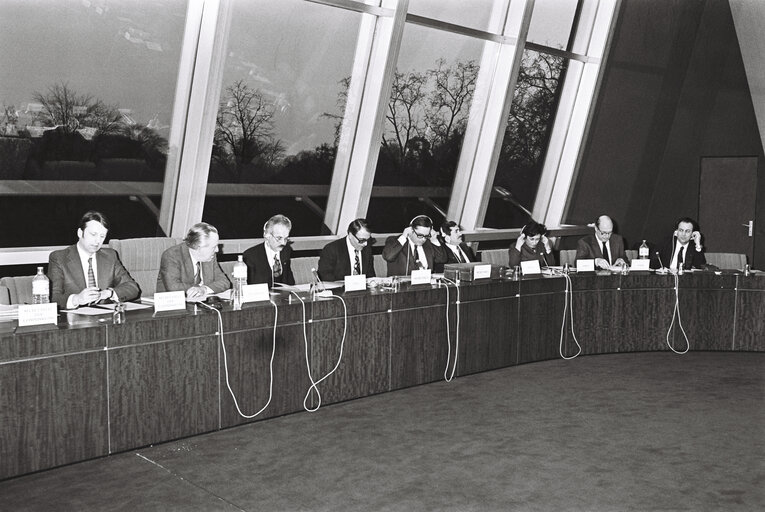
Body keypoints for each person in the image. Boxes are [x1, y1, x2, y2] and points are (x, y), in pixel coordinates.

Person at [48, 210, 140, 308]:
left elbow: (132, 288)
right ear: (80, 233)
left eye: (102, 236)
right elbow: (53, 297)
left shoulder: (110, 256)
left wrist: (109, 293)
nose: (97, 241)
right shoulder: (59, 258)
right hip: (74, 319)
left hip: (105, 318)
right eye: (93, 234)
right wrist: (77, 299)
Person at [157, 222, 230, 298]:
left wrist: (204, 289)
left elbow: (224, 282)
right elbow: (173, 287)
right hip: (171, 305)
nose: (217, 250)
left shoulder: (210, 257)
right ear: (198, 247)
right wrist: (198, 289)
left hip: (200, 304)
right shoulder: (171, 255)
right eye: (213, 247)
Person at [382, 215, 447, 276]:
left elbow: (442, 259)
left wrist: (434, 240)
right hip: (402, 285)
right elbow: (388, 256)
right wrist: (404, 236)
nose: (423, 239)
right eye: (420, 235)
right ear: (411, 230)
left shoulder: (428, 243)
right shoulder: (395, 241)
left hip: (425, 284)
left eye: (426, 235)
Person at [243, 214, 295, 287]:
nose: (283, 243)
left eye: (286, 238)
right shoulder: (250, 256)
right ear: (267, 236)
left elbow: (290, 282)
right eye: (279, 238)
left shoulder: (286, 251)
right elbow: (249, 288)